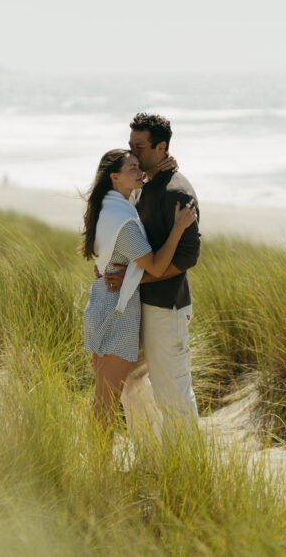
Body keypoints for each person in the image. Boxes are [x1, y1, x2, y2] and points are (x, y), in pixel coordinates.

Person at [81, 148, 197, 427]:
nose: (139, 173)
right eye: (132, 169)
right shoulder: (125, 224)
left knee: (105, 398)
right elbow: (156, 267)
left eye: (139, 166)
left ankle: (103, 462)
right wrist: (179, 228)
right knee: (106, 401)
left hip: (101, 304)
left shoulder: (109, 207)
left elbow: (139, 195)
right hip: (116, 316)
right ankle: (99, 466)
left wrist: (162, 167)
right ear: (115, 177)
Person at [108, 113, 202, 433]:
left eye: (141, 147)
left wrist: (139, 279)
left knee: (173, 392)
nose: (133, 153)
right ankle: (151, 459)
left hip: (167, 306)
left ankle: (189, 472)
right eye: (130, 145)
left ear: (161, 148)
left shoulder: (177, 192)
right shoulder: (144, 183)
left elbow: (189, 255)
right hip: (139, 303)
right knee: (129, 381)